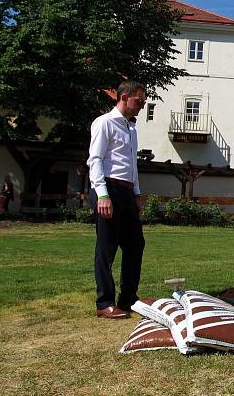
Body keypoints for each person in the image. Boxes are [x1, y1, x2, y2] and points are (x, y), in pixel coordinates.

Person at [86, 80, 147, 319]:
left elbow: (132, 164)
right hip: (108, 188)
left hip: (127, 191)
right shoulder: (104, 123)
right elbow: (95, 160)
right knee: (107, 246)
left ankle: (128, 298)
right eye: (139, 100)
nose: (142, 105)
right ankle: (104, 302)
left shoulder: (131, 128)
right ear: (124, 97)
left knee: (135, 244)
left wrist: (136, 193)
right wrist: (102, 194)